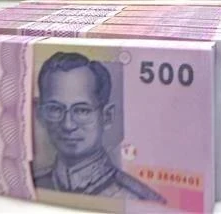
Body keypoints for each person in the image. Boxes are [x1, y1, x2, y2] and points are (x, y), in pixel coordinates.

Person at [34, 52, 166, 203]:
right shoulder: (32, 184)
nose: (68, 125)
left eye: (82, 110)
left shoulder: (142, 200)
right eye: (55, 109)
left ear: (106, 116)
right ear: (41, 114)